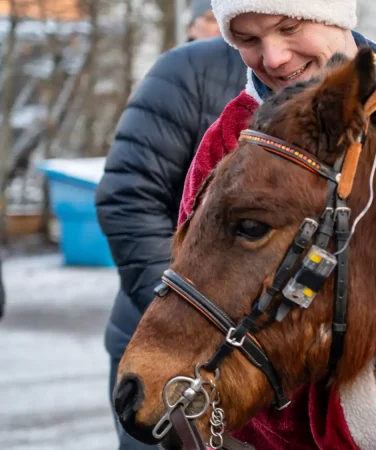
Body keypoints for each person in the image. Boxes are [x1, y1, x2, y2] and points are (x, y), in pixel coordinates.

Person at [177, 0, 376, 447]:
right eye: (248, 40)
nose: (273, 58)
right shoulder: (228, 148)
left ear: (336, 15)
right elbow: (205, 355)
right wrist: (371, 403)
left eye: (288, 26)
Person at [95, 3, 247, 448]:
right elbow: (129, 197)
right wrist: (188, 318)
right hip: (164, 346)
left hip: (269, 361)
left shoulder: (351, 74)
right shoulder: (189, 71)